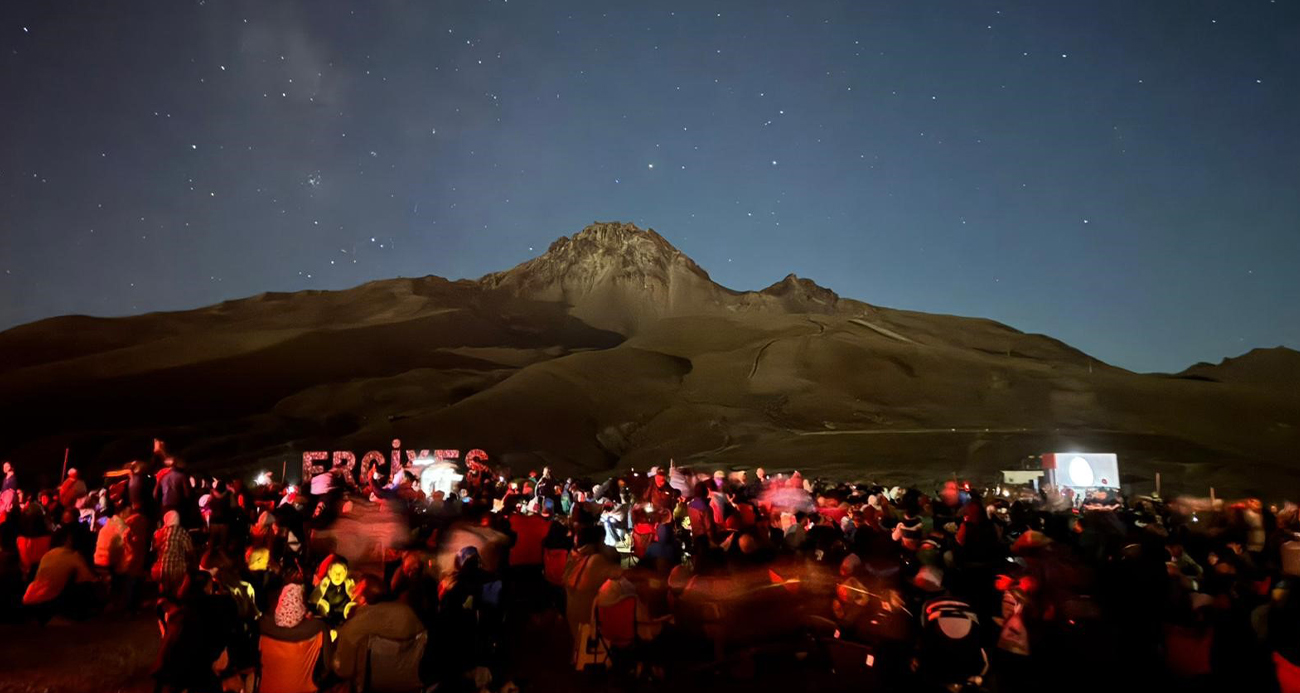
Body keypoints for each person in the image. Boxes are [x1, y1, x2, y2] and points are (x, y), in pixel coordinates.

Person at [330, 576, 427, 686]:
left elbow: (343, 670)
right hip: (411, 684)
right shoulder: (408, 612)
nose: (352, 590)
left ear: (362, 599)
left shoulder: (354, 627)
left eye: (356, 588)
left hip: (371, 687)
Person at [258, 582, 330, 693]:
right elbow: (327, 664)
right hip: (303, 689)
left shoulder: (263, 626)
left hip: (268, 688)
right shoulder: (318, 628)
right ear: (302, 604)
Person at [22, 527, 98, 622]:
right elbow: (89, 578)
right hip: (50, 600)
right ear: (67, 540)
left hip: (30, 596)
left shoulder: (47, 554)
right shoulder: (73, 555)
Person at [153, 510, 194, 598]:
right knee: (177, 594)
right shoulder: (181, 532)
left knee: (165, 595)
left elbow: (155, 548)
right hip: (177, 569)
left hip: (162, 569)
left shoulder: (160, 532)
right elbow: (190, 550)